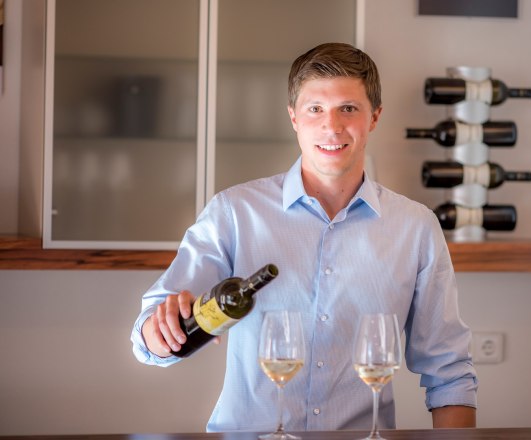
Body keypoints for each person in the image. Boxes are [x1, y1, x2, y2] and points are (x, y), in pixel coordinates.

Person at [130, 42, 477, 432]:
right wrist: (162, 331)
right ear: (294, 117)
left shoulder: (416, 227)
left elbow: (449, 374)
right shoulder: (235, 212)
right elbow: (149, 341)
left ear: (374, 117)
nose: (332, 126)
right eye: (315, 109)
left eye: (348, 108)